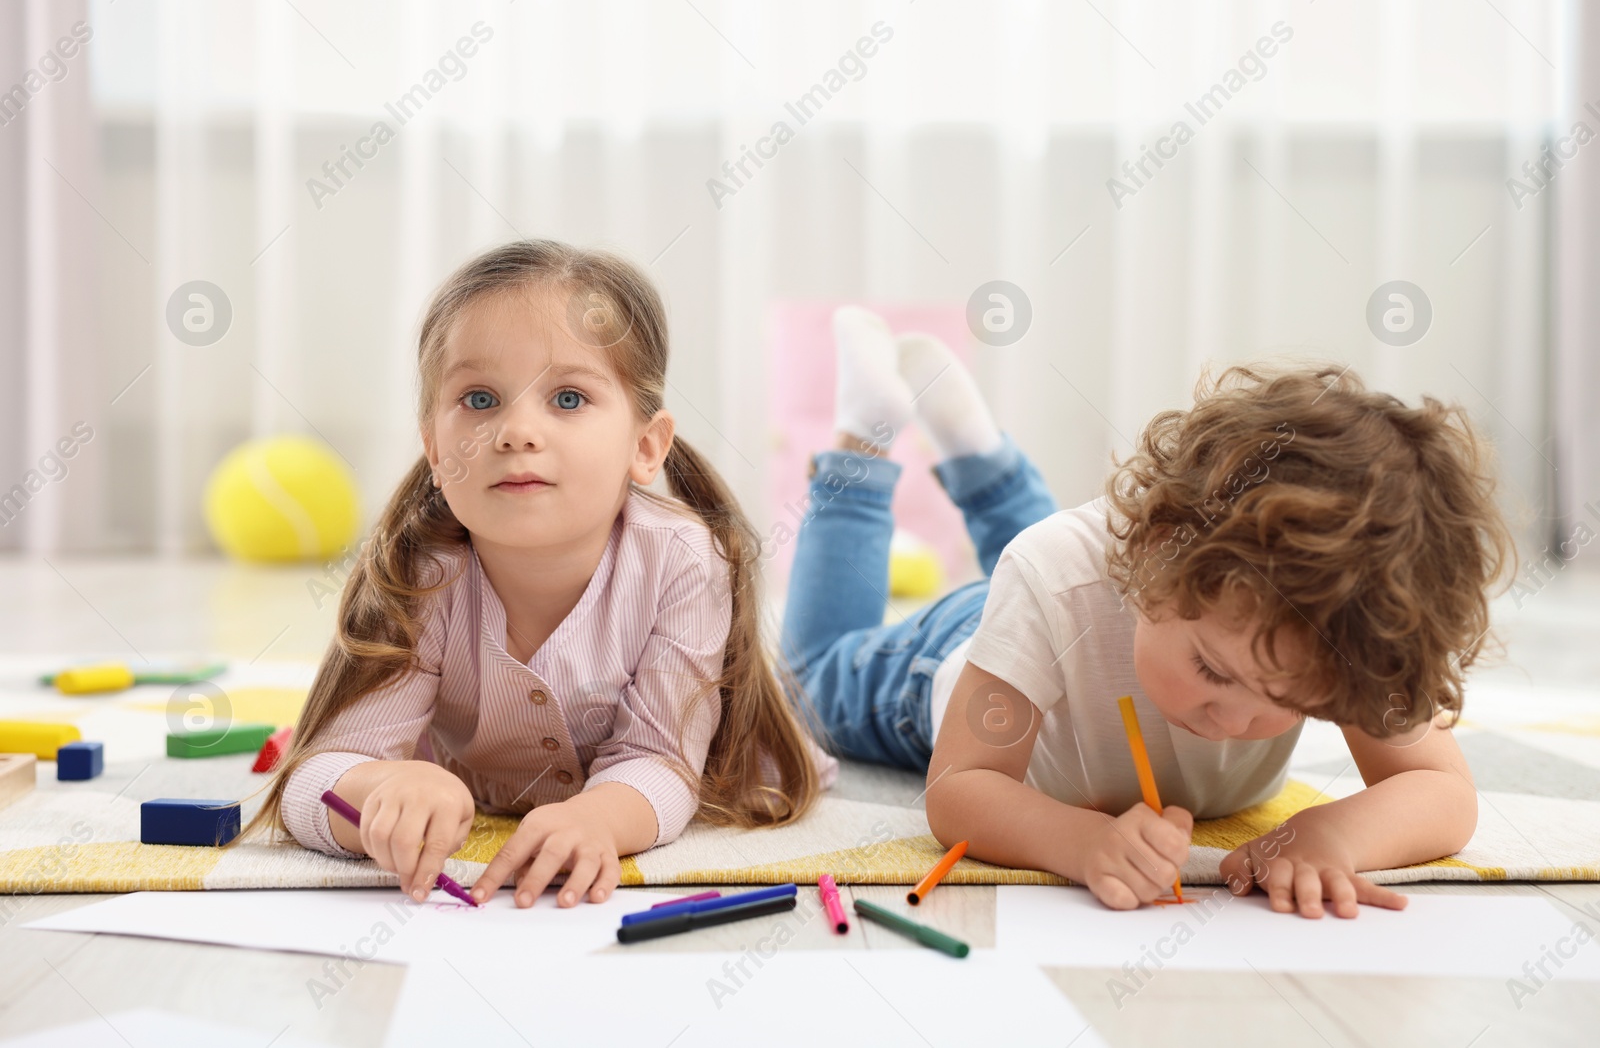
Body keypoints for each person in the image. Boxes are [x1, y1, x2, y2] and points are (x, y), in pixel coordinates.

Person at [782, 306, 1512, 918]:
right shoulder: (1053, 579)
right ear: (1159, 556)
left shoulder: (1327, 615)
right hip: (951, 661)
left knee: (1061, 582)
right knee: (809, 674)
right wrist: (1079, 841)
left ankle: (975, 446)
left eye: (1290, 703)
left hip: (1077, 604)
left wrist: (1333, 834)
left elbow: (1445, 791)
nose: (1231, 722)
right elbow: (958, 791)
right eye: (1211, 670)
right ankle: (865, 438)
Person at [241, 240, 837, 908]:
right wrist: (375, 791)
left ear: (645, 446)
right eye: (480, 397)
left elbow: (663, 761)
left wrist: (601, 818)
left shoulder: (684, 559)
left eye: (569, 397)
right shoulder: (423, 567)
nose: (517, 430)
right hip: (479, 780)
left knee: (841, 678)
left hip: (749, 732)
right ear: (435, 447)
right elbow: (309, 781)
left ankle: (859, 470)